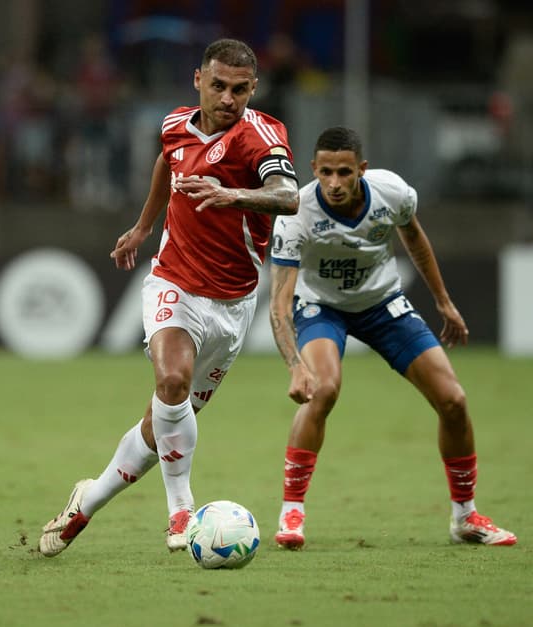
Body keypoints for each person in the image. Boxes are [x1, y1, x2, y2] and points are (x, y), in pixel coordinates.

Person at [39, 39, 300, 557]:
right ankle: (180, 509)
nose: (229, 98)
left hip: (233, 304)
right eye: (219, 85)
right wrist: (141, 228)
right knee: (172, 379)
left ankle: (86, 502)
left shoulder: (261, 137)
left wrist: (235, 195)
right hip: (173, 282)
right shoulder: (175, 125)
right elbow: (167, 164)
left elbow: (289, 195)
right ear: (198, 79)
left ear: (254, 88)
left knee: (161, 427)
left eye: (240, 89)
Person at [268, 126, 516, 549]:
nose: (334, 183)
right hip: (321, 307)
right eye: (325, 172)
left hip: (383, 304)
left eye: (344, 172)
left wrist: (443, 301)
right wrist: (295, 366)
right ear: (313, 169)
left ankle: (465, 516)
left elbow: (414, 237)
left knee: (454, 400)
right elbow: (278, 302)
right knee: (322, 390)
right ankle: (293, 512)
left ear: (361, 169)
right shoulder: (296, 213)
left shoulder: (393, 193)